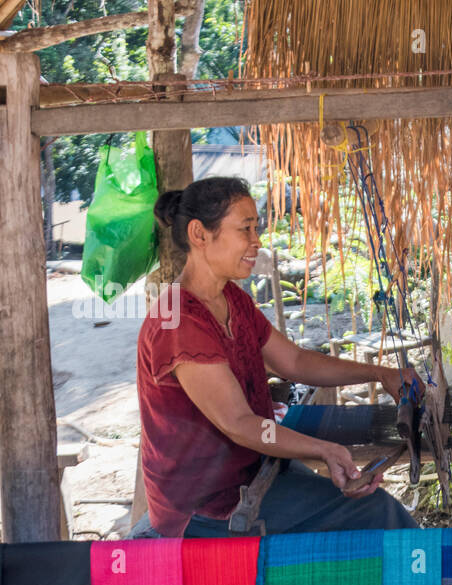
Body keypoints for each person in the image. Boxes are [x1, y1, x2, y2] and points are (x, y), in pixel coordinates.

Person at [128, 176, 420, 538]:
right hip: (206, 507)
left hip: (252, 472)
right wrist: (323, 449)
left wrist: (379, 374)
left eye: (256, 229)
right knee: (379, 514)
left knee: (366, 508)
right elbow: (239, 422)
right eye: (245, 229)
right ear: (200, 235)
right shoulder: (178, 321)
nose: (256, 241)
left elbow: (294, 362)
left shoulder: (231, 299)